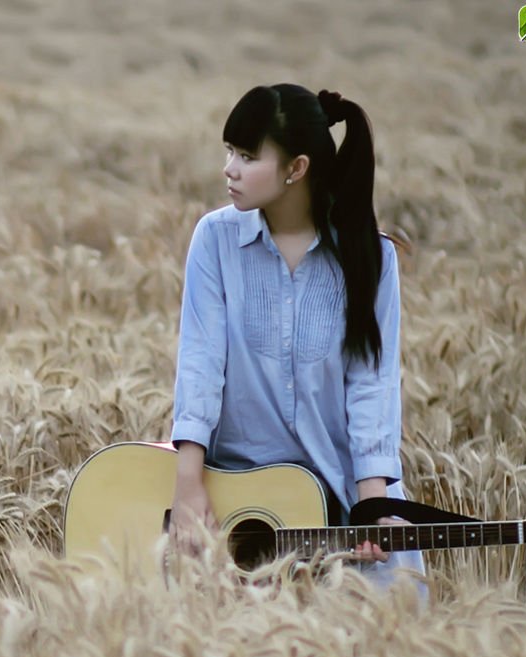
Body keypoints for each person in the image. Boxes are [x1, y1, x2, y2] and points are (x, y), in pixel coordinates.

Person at [168, 84, 426, 595]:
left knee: (396, 611)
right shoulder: (215, 240)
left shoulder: (371, 258)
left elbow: (373, 382)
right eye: (229, 152)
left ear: (296, 169)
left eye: (246, 155)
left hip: (337, 487)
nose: (229, 168)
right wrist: (188, 484)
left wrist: (372, 498)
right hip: (234, 489)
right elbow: (200, 361)